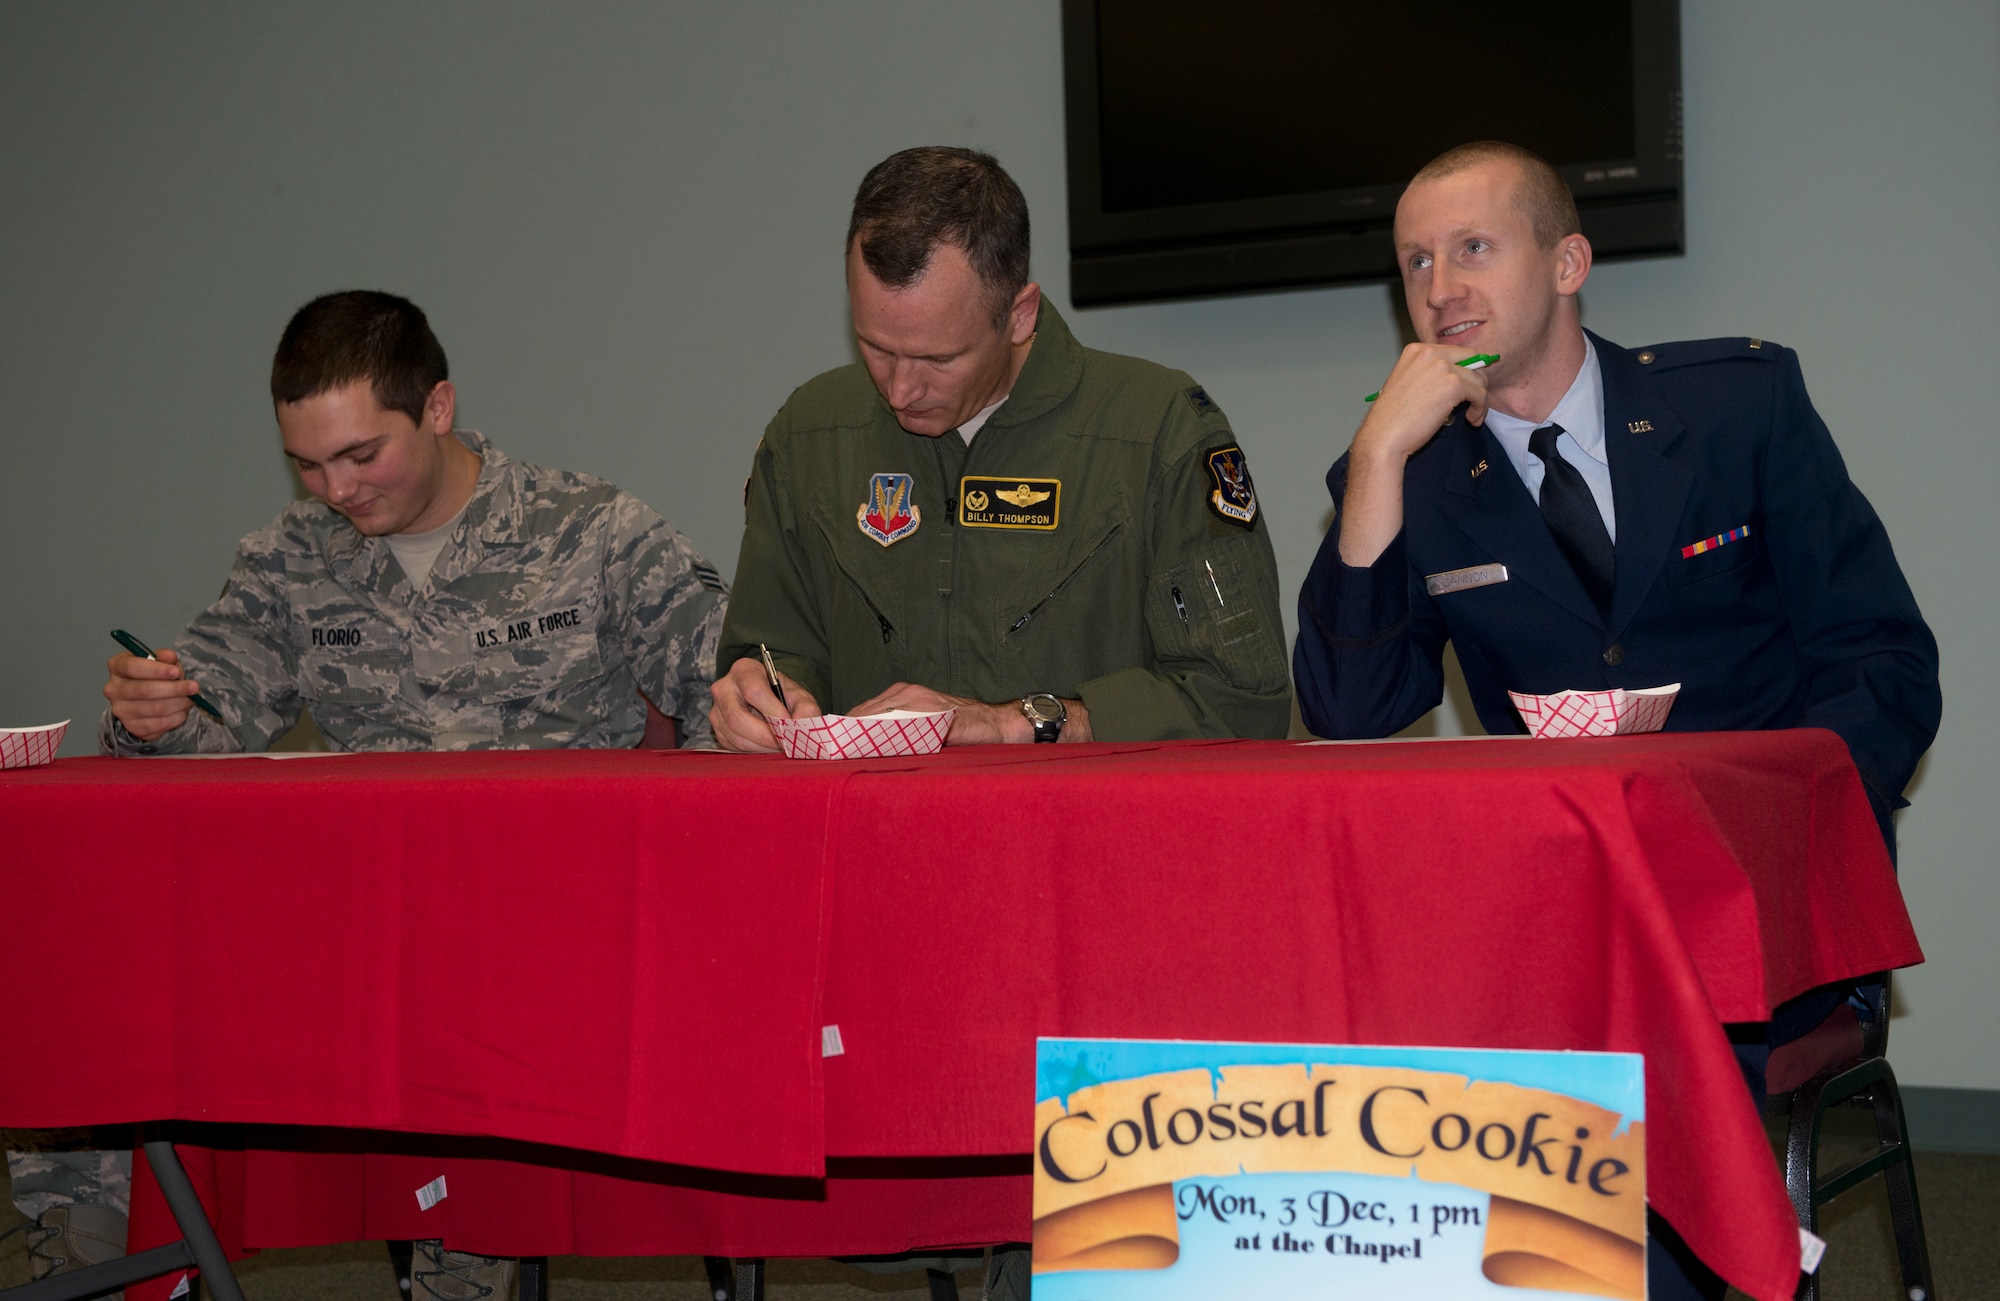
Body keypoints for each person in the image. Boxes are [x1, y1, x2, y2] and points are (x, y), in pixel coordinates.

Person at [1291, 142, 1941, 1298]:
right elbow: (1350, 710)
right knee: (1371, 1018)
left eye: (1473, 248)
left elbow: (1882, 660)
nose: (1439, 284)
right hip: (1557, 909)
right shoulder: (1409, 474)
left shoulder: (1737, 406)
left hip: (1759, 903)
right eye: (1413, 261)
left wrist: (1784, 821)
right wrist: (1376, 454)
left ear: (1568, 260)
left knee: (1641, 1064)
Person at [7, 290, 727, 1300]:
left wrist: (680, 883)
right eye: (306, 462)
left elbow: (730, 687)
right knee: (83, 1013)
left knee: (470, 1080)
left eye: (359, 455)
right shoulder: (290, 561)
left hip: (545, 939)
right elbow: (209, 740)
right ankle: (110, 1261)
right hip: (354, 938)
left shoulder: (591, 530)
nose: (333, 487)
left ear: (436, 406)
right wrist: (151, 714)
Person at [711, 145, 1292, 755]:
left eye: (939, 359)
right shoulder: (809, 437)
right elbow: (771, 654)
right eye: (875, 346)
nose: (901, 389)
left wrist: (1013, 722)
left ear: (1019, 314)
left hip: (1083, 838)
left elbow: (1241, 702)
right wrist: (757, 695)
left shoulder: (1156, 431)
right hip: (873, 839)